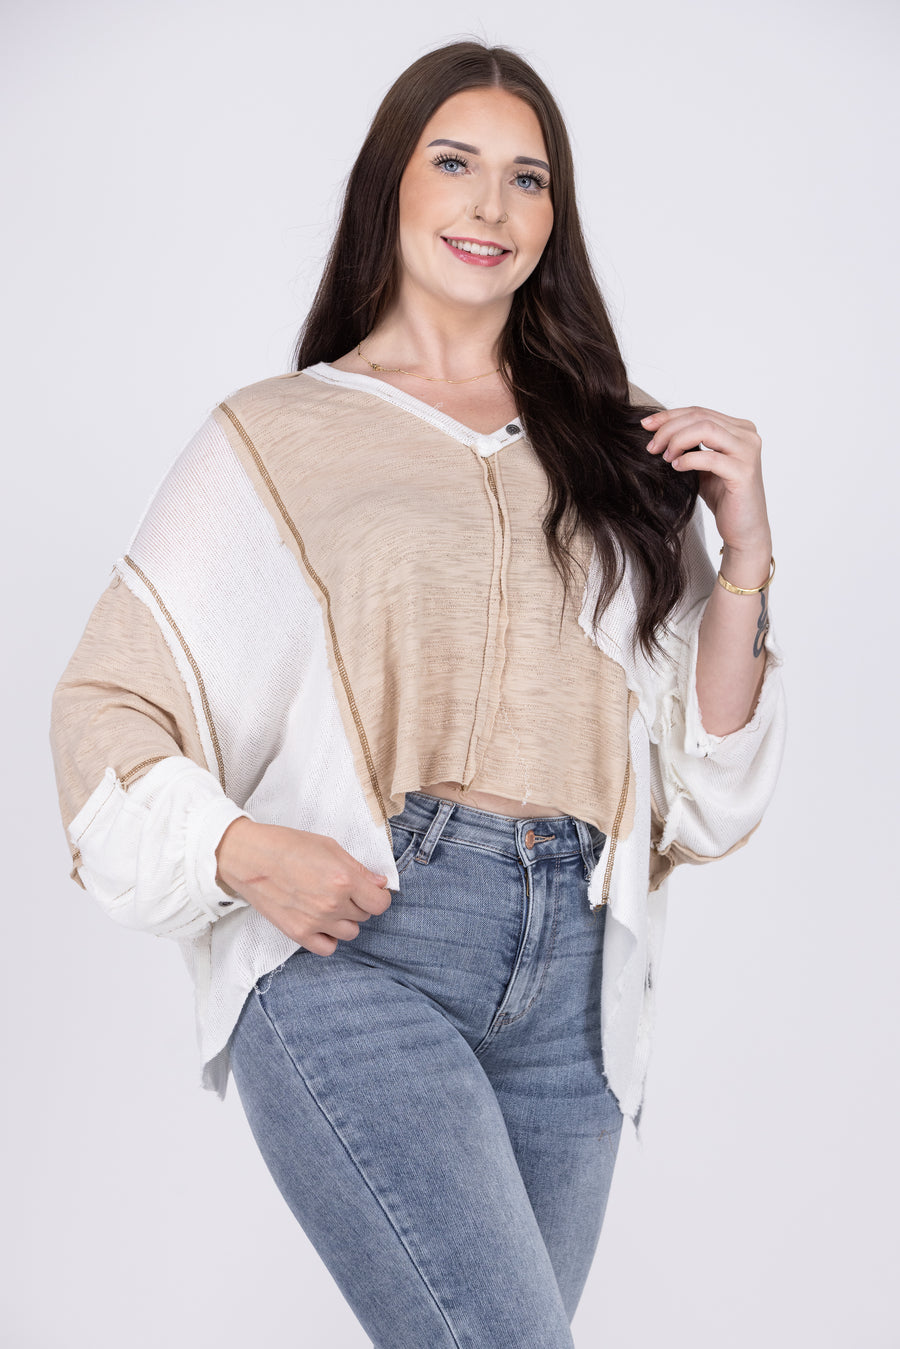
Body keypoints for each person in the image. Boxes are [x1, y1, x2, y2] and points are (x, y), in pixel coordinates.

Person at [49, 38, 786, 1349]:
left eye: (527, 178)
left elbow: (706, 794)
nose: (491, 205)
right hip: (366, 946)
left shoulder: (618, 443)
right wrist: (244, 849)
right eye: (455, 163)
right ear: (391, 181)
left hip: (578, 989)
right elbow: (107, 700)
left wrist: (746, 561)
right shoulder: (276, 434)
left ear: (554, 215)